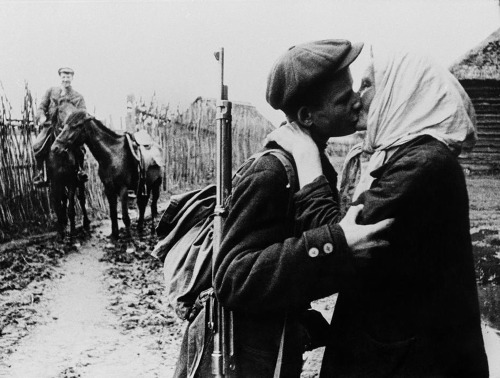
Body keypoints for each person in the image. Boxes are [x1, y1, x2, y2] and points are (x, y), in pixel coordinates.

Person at [267, 46, 489, 377]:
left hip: (409, 362)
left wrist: (305, 157)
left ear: (403, 92)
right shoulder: (409, 157)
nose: (357, 98)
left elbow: (337, 237)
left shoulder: (422, 165)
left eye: (368, 84)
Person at [212, 40, 394, 378]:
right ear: (307, 116)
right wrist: (332, 244)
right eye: (343, 99)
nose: (357, 101)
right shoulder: (272, 172)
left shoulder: (315, 164)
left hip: (281, 345)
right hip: (251, 358)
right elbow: (231, 278)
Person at [33, 67, 87, 187]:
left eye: (68, 77)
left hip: (69, 130)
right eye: (63, 76)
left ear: (72, 78)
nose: (65, 79)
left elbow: (83, 113)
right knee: (37, 145)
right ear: (60, 77)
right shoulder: (51, 91)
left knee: (80, 149)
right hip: (50, 127)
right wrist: (41, 117)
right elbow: (41, 107)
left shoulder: (78, 97)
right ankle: (41, 173)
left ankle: (80, 170)